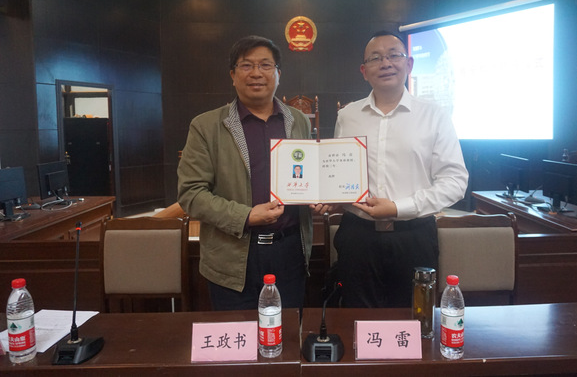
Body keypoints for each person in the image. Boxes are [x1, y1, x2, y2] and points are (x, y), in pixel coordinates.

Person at [332, 31, 468, 308]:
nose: (386, 63)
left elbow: (455, 181)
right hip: (357, 236)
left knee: (414, 317)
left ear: (409, 64)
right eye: (375, 58)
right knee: (356, 315)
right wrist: (327, 195)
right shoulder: (347, 116)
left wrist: (397, 208)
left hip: (414, 235)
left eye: (394, 55)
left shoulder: (434, 115)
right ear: (364, 71)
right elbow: (338, 171)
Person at [177, 35, 313, 311]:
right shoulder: (206, 126)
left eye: (265, 65)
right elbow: (191, 194)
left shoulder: (298, 121)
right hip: (233, 254)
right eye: (246, 65)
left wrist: (319, 196)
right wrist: (246, 216)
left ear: (278, 73)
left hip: (290, 252)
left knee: (287, 332)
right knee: (238, 333)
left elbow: (306, 175)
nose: (256, 73)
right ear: (233, 74)